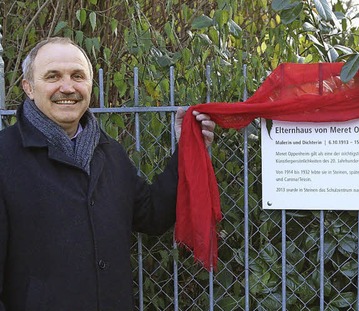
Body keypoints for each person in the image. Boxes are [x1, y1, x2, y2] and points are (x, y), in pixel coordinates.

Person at [0, 37, 215, 310]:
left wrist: (187, 151)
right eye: (53, 76)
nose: (67, 87)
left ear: (90, 85)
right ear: (28, 87)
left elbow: (152, 215)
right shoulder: (5, 157)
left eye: (78, 76)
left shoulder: (109, 152)